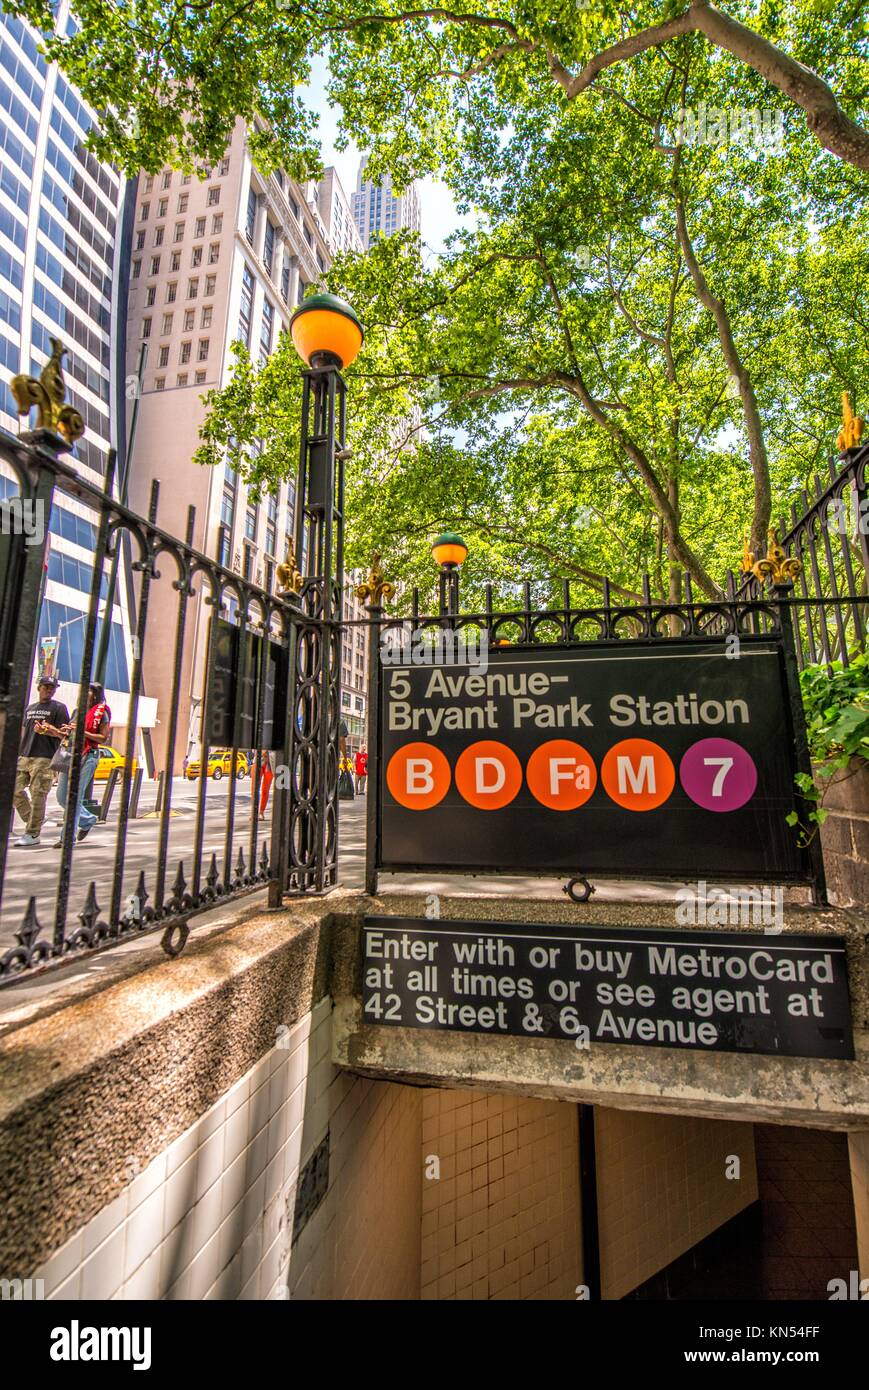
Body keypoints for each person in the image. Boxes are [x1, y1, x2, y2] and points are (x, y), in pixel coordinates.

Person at [13, 673, 70, 847]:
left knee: (38, 794)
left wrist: (49, 730)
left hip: (45, 756)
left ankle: (32, 833)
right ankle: (34, 818)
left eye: (52, 688)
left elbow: (65, 734)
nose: (49, 691)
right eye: (46, 687)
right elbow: (24, 731)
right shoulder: (30, 708)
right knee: (13, 789)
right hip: (25, 755)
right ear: (39, 688)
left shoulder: (59, 708)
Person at [54, 682, 111, 846]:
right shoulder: (76, 712)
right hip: (70, 754)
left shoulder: (101, 712)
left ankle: (66, 837)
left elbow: (103, 738)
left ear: (96, 694)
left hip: (88, 755)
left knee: (74, 796)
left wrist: (82, 732)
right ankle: (88, 819)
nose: (85, 693)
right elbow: (69, 736)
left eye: (90, 691)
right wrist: (54, 731)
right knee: (61, 796)